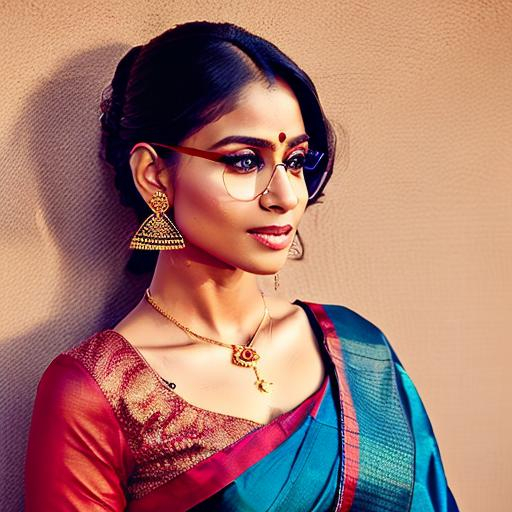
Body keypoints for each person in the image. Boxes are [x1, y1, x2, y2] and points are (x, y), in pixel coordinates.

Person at [24, 21, 459, 511]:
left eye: (294, 161)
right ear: (153, 175)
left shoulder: (359, 349)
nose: (287, 196)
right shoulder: (98, 395)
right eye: (245, 161)